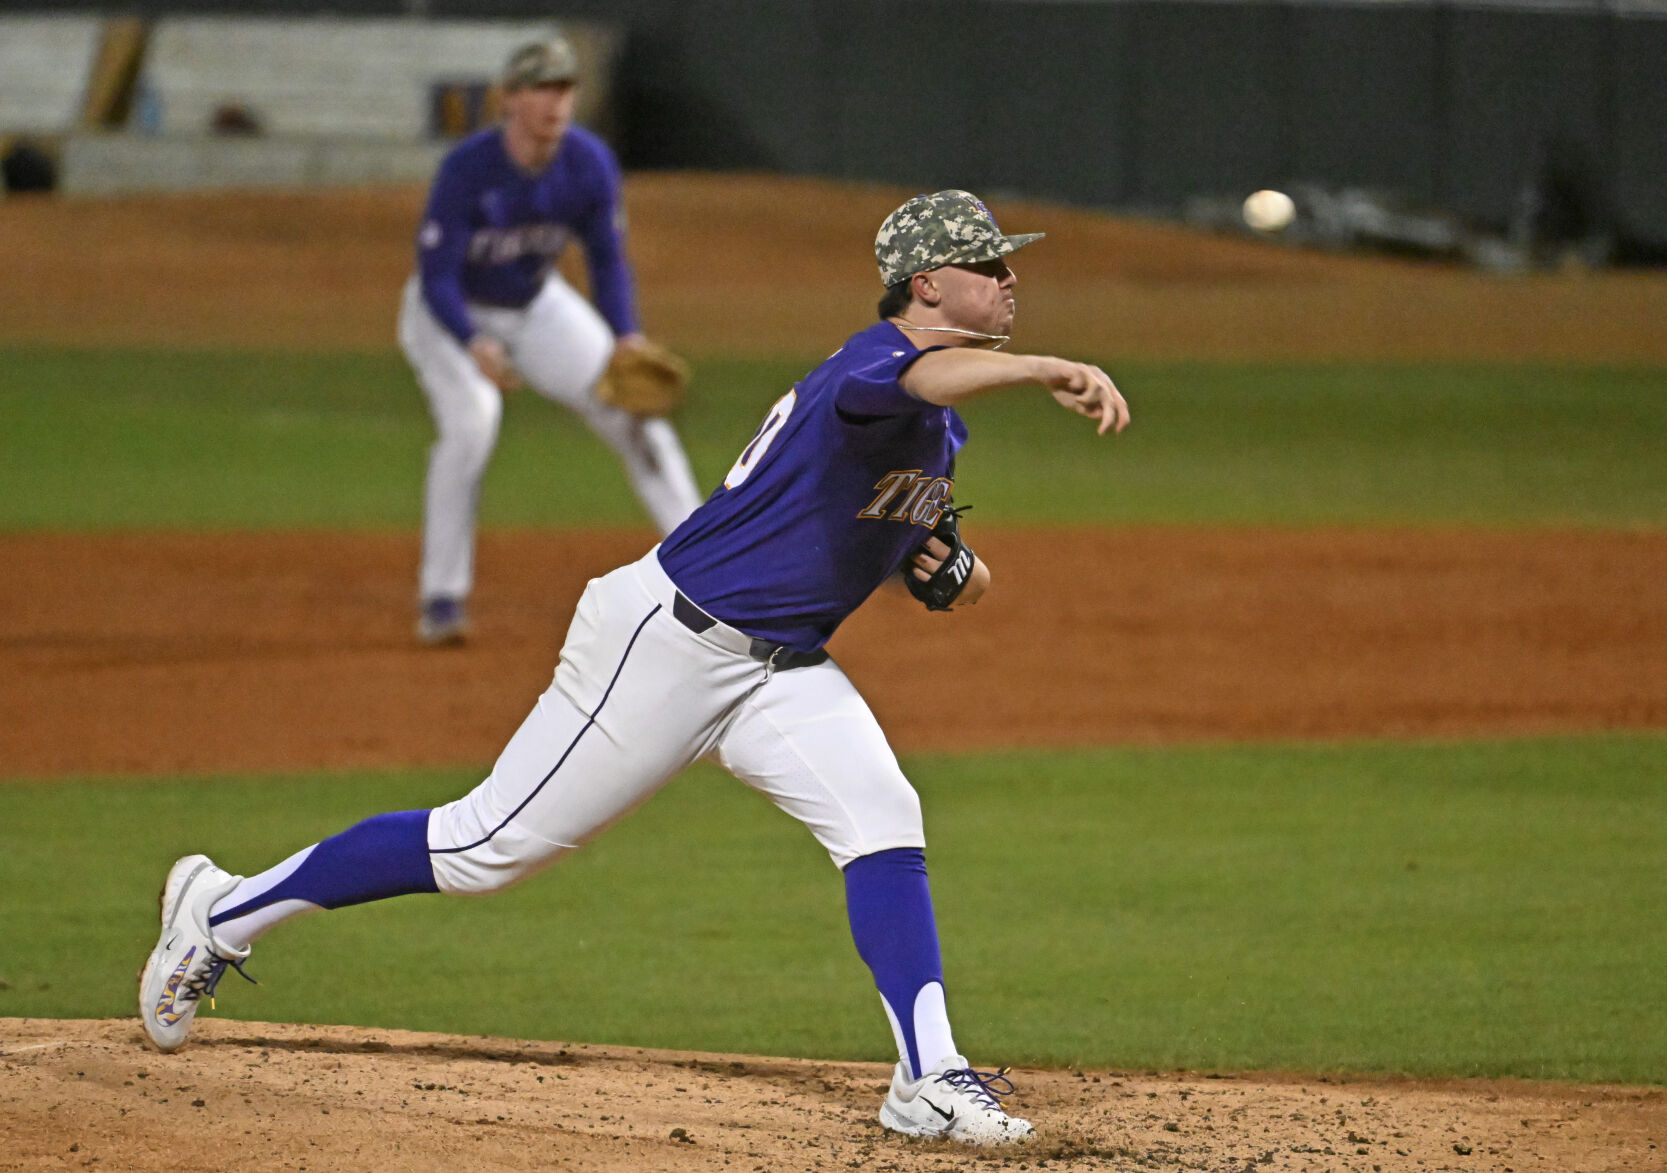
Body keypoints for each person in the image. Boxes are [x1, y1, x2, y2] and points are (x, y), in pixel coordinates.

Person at [138, 190, 1130, 1145]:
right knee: (483, 850)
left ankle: (926, 1078)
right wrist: (1045, 368)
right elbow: (920, 378)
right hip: (662, 643)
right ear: (923, 284)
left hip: (778, 673)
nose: (1007, 279)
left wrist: (956, 573)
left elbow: (931, 564)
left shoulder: (938, 429)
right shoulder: (875, 365)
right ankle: (221, 911)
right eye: (986, 263)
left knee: (882, 818)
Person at [398, 37, 700, 645]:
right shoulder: (469, 169)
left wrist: (625, 336)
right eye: (540, 88)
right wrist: (471, 341)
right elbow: (437, 278)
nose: (555, 101)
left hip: (536, 306)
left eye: (564, 88)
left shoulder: (587, 163)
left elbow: (608, 261)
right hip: (448, 315)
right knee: (473, 424)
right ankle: (442, 597)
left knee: (634, 413)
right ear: (509, 99)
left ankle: (709, 568)